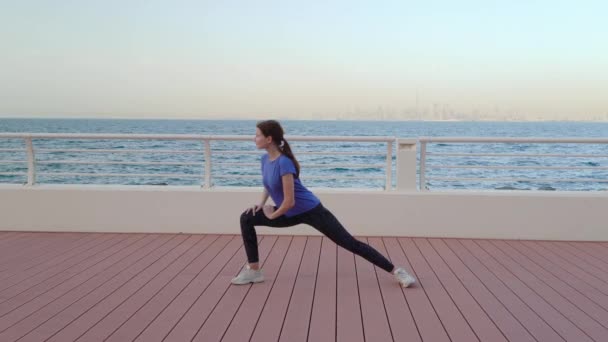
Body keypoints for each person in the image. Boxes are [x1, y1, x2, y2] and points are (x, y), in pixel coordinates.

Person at [232, 120, 416, 288]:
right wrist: (260, 204)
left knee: (350, 243)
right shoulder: (265, 159)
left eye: (257, 135)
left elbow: (289, 201)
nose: (254, 138)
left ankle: (398, 272)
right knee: (247, 218)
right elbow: (269, 184)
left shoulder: (284, 163)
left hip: (311, 210)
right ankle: (254, 271)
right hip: (288, 213)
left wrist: (271, 214)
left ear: (269, 139)